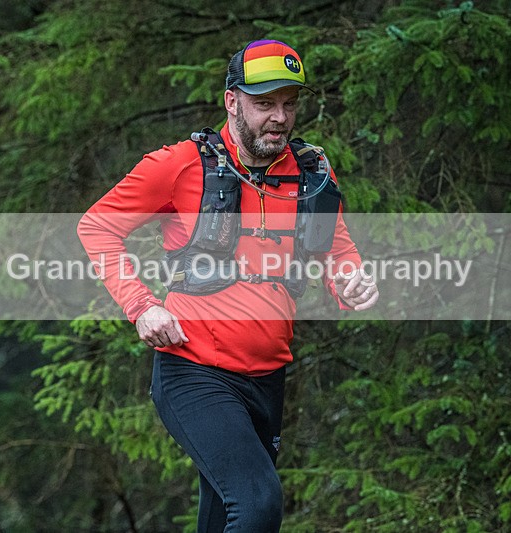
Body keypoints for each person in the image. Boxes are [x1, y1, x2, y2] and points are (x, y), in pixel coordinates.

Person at [78, 39, 378, 532]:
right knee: (258, 502)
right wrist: (141, 305)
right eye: (264, 104)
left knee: (222, 517)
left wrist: (351, 281)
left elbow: (336, 251)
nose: (279, 117)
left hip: (268, 377)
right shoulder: (179, 165)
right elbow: (97, 226)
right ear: (232, 101)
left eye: (289, 103)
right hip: (194, 370)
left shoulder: (312, 173)